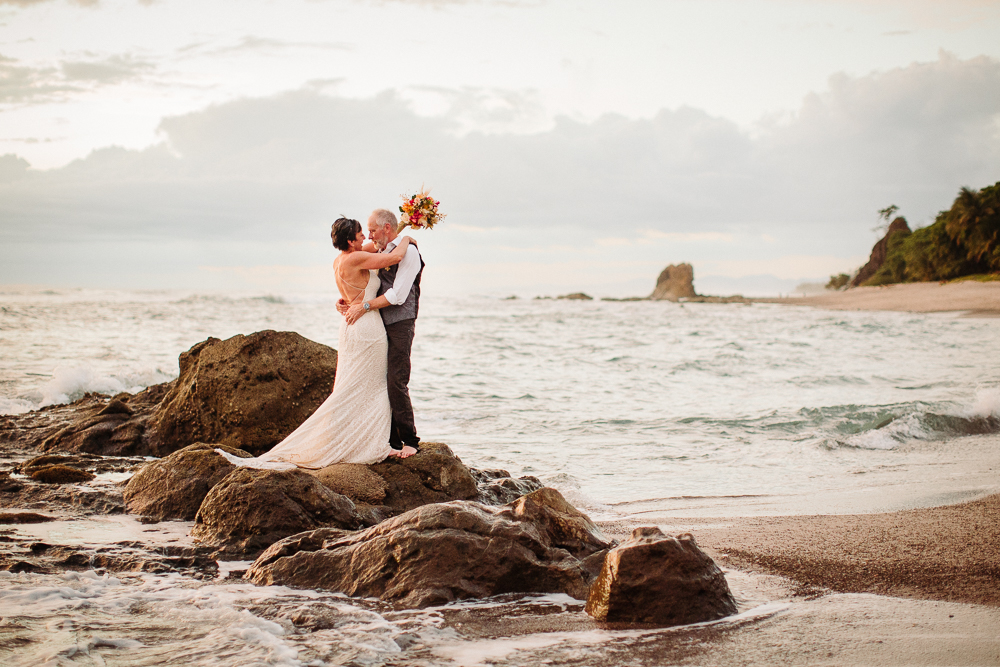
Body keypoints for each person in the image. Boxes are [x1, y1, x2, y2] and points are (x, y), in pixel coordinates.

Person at [219, 217, 413, 470]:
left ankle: (357, 439)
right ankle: (370, 443)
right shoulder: (355, 259)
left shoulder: (341, 259)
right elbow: (393, 257)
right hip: (366, 326)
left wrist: (403, 226)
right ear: (349, 240)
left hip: (350, 326)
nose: (365, 236)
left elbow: (378, 247)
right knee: (372, 384)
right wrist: (408, 240)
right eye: (359, 233)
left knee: (351, 384)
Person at [338, 208, 424, 457]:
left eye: (373, 230)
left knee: (396, 380)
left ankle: (410, 441)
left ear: (386, 228)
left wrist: (363, 306)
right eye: (365, 232)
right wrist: (348, 299)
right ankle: (389, 440)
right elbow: (362, 282)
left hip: (400, 321)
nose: (369, 236)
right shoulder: (383, 249)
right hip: (377, 322)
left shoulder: (408, 252)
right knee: (379, 380)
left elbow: (398, 295)